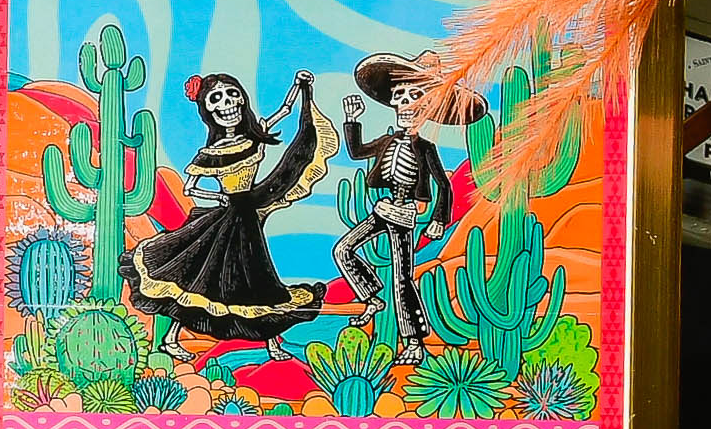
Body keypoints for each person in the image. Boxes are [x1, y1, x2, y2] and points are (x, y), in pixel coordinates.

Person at [126, 68, 323, 339]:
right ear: (207, 110)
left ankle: (271, 341)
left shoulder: (254, 137)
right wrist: (219, 197)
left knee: (257, 278)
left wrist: (301, 87)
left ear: (242, 98)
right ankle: (172, 337)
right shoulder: (212, 153)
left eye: (232, 94)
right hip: (228, 219)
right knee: (200, 281)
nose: (227, 104)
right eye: (216, 98)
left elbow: (285, 111)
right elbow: (190, 187)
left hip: (249, 215)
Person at [326, 56, 465, 352]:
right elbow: (356, 152)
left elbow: (444, 184)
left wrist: (440, 218)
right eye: (400, 95)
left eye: (415, 96)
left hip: (404, 215)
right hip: (384, 209)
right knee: (343, 249)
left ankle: (413, 340)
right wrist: (351, 121)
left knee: (402, 277)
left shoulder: (425, 147)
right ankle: (372, 297)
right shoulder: (386, 142)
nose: (406, 103)